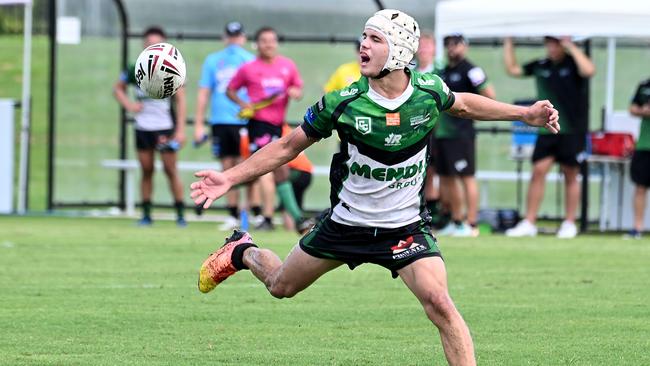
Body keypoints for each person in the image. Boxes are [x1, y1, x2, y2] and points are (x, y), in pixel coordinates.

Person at [192, 9, 559, 365]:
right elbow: (288, 147)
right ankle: (242, 251)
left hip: (404, 229)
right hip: (346, 226)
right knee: (280, 286)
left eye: (374, 38)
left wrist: (525, 114)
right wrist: (229, 177)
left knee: (441, 305)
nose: (362, 45)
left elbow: (462, 105)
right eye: (363, 37)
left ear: (399, 50)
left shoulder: (428, 91)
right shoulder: (343, 103)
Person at [503, 36, 595, 238]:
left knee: (571, 174)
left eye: (556, 43)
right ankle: (529, 222)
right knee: (538, 171)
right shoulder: (541, 65)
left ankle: (569, 223)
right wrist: (509, 42)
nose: (552, 48)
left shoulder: (574, 63)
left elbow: (589, 70)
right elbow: (513, 70)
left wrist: (571, 46)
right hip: (547, 129)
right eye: (549, 43)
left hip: (572, 130)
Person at [226, 26, 311, 233]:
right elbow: (230, 90)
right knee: (274, 168)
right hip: (258, 125)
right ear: (257, 44)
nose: (269, 44)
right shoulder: (249, 68)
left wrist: (295, 92)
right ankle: (275, 217)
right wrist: (243, 104)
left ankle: (224, 188)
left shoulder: (287, 66)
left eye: (272, 40)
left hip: (277, 126)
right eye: (264, 41)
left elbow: (298, 89)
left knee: (267, 172)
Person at [113, 26, 187, 227]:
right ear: (143, 45)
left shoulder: (172, 67)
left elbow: (181, 99)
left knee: (170, 170)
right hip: (143, 127)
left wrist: (180, 129)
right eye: (148, 43)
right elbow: (117, 89)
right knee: (146, 170)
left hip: (165, 127)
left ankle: (180, 214)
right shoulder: (135, 67)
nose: (151, 46)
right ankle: (146, 214)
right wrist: (129, 105)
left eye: (156, 43)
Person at [194, 21, 255, 230]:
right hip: (220, 121)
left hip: (243, 122)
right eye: (230, 36)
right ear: (224, 38)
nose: (234, 40)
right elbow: (204, 93)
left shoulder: (249, 60)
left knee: (246, 166)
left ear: (244, 38)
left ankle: (248, 211)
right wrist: (199, 125)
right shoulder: (213, 61)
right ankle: (232, 213)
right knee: (226, 167)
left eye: (237, 36)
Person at [436, 34, 496, 237]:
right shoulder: (443, 71)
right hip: (443, 134)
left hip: (461, 134)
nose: (451, 48)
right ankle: (456, 219)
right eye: (448, 44)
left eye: (456, 44)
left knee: (466, 176)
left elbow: (490, 96)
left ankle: (471, 224)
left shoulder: (471, 70)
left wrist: (476, 113)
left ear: (465, 46)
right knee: (448, 178)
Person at [415, 31, 447, 229]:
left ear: (434, 49)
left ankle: (444, 213)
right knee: (424, 172)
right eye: (421, 46)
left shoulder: (441, 71)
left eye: (427, 46)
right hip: (418, 131)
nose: (424, 50)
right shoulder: (412, 72)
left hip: (439, 131)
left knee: (440, 172)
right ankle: (426, 212)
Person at [627, 79, 650, 239]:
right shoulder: (644, 85)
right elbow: (632, 108)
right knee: (640, 187)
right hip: (644, 145)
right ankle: (637, 228)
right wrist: (643, 111)